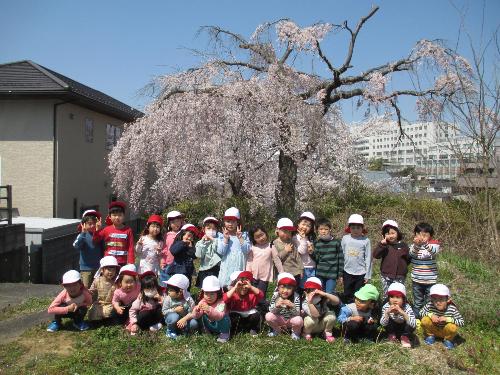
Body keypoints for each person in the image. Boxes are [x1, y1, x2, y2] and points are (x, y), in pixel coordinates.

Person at [183, 276, 231, 343]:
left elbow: (219, 316)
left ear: (218, 293)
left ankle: (224, 334)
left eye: (212, 294)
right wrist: (196, 312)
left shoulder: (221, 302)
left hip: (220, 325)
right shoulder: (203, 301)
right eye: (206, 293)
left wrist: (209, 309)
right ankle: (206, 330)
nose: (209, 297)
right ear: (203, 293)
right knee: (202, 316)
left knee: (224, 318)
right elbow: (196, 316)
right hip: (210, 325)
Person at [409, 222, 440, 317]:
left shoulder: (434, 244)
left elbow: (434, 252)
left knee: (429, 302)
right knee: (417, 302)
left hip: (430, 280)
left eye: (425, 235)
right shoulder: (413, 246)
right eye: (419, 234)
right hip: (416, 279)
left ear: (430, 236)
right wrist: (417, 245)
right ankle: (417, 319)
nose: (422, 237)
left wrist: (425, 243)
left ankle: (427, 319)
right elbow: (412, 254)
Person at [373, 220, 410, 297]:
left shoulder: (403, 246)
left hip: (400, 276)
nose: (390, 236)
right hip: (386, 275)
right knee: (386, 294)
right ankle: (385, 307)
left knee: (398, 294)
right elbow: (376, 255)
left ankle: (399, 307)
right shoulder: (384, 246)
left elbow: (408, 259)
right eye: (387, 234)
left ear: (397, 233)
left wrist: (403, 268)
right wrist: (381, 245)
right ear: (383, 235)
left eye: (393, 233)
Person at [420, 284, 464, 350]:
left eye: (441, 299)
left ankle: (448, 339)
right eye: (435, 299)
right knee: (425, 320)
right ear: (431, 299)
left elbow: (461, 322)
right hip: (434, 329)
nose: (438, 302)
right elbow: (421, 312)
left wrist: (448, 319)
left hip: (445, 331)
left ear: (448, 299)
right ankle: (430, 336)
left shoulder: (452, 309)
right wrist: (431, 315)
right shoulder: (430, 305)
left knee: (452, 327)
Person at [341, 214, 372, 303]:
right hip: (347, 271)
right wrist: (340, 273)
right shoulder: (345, 238)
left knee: (359, 293)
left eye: (358, 228)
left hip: (361, 272)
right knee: (347, 292)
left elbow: (368, 257)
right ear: (349, 228)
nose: (355, 230)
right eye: (353, 227)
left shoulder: (366, 240)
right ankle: (347, 309)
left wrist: (367, 275)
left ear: (362, 228)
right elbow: (341, 254)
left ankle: (357, 309)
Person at [217, 207, 251, 287]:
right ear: (224, 222)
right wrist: (225, 239)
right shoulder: (221, 236)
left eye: (233, 221)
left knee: (238, 286)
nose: (230, 224)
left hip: (239, 266)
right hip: (227, 266)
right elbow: (221, 251)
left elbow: (247, 250)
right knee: (225, 287)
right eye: (228, 221)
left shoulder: (244, 235)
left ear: (238, 222)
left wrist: (240, 238)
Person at [93, 201, 134, 267]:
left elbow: (130, 247)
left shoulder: (128, 230)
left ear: (124, 216)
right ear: (110, 216)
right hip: (109, 261)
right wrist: (97, 230)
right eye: (114, 215)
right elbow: (96, 240)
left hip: (123, 262)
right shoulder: (106, 229)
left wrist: (131, 262)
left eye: (120, 215)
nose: (117, 217)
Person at [224, 271, 264, 336]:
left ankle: (253, 329)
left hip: (248, 315)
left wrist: (251, 287)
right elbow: (225, 299)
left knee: (256, 315)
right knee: (233, 317)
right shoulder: (233, 294)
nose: (243, 287)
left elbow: (261, 295)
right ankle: (236, 330)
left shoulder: (251, 294)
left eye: (246, 285)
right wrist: (235, 288)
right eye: (241, 285)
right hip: (236, 315)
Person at [246, 224, 284, 295]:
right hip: (253, 275)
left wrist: (281, 273)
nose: (261, 238)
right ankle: (254, 306)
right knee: (251, 294)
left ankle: (262, 306)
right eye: (257, 237)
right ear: (253, 238)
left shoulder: (271, 246)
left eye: (262, 235)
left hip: (264, 276)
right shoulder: (253, 247)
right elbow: (249, 260)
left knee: (260, 294)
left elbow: (277, 260)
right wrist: (248, 272)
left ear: (265, 233)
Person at [265, 272, 303, 340]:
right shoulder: (275, 295)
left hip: (290, 320)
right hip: (279, 319)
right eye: (282, 287)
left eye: (289, 288)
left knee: (299, 320)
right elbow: (271, 310)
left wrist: (292, 306)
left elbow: (297, 313)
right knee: (268, 316)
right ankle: (276, 330)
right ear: (278, 288)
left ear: (293, 289)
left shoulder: (296, 296)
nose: (285, 291)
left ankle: (295, 333)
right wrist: (276, 306)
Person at [310, 218, 343, 295]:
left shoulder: (336, 242)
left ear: (330, 230)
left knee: (329, 293)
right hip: (320, 274)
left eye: (326, 229)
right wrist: (311, 253)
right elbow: (317, 259)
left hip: (332, 275)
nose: (323, 231)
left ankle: (331, 306)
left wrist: (340, 274)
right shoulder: (317, 243)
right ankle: (321, 307)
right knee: (320, 293)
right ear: (317, 230)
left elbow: (340, 259)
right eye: (321, 229)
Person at [302, 277, 340, 342]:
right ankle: (306, 333)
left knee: (331, 315)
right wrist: (310, 303)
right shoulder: (305, 302)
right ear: (305, 292)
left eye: (315, 291)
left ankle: (327, 333)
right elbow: (315, 315)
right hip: (311, 327)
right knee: (310, 320)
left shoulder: (322, 299)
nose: (312, 294)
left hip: (321, 325)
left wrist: (325, 294)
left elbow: (337, 302)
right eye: (309, 291)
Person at [73, 210, 103, 288]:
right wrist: (83, 233)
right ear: (83, 224)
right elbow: (76, 245)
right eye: (89, 224)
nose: (92, 226)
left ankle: (94, 300)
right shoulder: (82, 235)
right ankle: (86, 300)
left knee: (96, 288)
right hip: (85, 268)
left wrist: (98, 231)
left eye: (94, 223)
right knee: (86, 287)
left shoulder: (100, 235)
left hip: (98, 267)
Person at [380, 282, 416, 348]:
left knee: (409, 322)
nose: (394, 300)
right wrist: (387, 313)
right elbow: (383, 324)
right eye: (391, 297)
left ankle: (404, 336)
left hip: (403, 327)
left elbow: (413, 324)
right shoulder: (386, 306)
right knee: (387, 320)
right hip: (392, 327)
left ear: (403, 299)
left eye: (398, 297)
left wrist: (403, 313)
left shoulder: (407, 307)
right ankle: (391, 335)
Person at [128, 271, 164, 335]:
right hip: (145, 320)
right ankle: (139, 327)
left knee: (160, 310)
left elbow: (167, 307)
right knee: (144, 313)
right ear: (143, 289)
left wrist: (160, 299)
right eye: (147, 289)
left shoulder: (161, 294)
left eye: (153, 288)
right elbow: (132, 310)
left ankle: (158, 324)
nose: (150, 291)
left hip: (155, 318)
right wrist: (134, 323)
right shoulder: (140, 299)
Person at [162, 274, 198, 339]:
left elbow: (193, 313)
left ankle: (183, 330)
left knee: (194, 323)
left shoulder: (188, 300)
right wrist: (174, 310)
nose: (168, 292)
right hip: (172, 320)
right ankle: (170, 330)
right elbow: (164, 311)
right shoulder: (168, 298)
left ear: (180, 292)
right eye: (168, 289)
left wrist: (184, 318)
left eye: (171, 290)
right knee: (174, 316)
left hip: (184, 320)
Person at [87, 256, 119, 321]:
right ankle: (97, 321)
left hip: (111, 303)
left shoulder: (116, 281)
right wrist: (89, 293)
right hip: (99, 303)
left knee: (108, 312)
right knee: (94, 313)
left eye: (113, 270)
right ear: (102, 270)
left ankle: (108, 319)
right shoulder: (97, 280)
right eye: (108, 270)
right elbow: (92, 291)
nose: (111, 272)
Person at [274, 218, 303, 287]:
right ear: (277, 229)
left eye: (289, 232)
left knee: (295, 291)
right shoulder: (274, 244)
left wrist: (301, 269)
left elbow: (297, 256)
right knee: (284, 291)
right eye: (284, 231)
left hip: (295, 272)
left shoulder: (291, 242)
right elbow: (275, 259)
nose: (287, 234)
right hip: (284, 273)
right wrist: (285, 251)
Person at [167, 224, 198, 289]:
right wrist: (183, 242)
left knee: (186, 287)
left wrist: (190, 247)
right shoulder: (178, 243)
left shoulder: (191, 246)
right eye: (188, 235)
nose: (189, 238)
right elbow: (174, 251)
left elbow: (194, 255)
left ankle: (186, 296)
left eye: (192, 237)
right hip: (178, 271)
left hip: (188, 272)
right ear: (182, 235)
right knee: (177, 287)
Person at [195, 216, 221, 288]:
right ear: (204, 229)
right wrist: (203, 242)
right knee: (204, 289)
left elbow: (219, 250)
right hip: (204, 269)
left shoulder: (219, 241)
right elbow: (199, 255)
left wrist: (213, 240)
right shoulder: (200, 242)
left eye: (214, 228)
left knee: (215, 288)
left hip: (216, 269)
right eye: (208, 228)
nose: (211, 230)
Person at [160, 210, 185, 284]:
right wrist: (162, 262)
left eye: (178, 221)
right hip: (169, 262)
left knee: (178, 282)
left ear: (181, 222)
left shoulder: (183, 234)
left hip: (180, 263)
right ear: (169, 224)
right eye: (173, 222)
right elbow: (164, 249)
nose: (176, 224)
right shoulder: (167, 235)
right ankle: (165, 293)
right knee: (165, 280)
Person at [295, 211, 316, 291]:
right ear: (298, 224)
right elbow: (301, 251)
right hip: (303, 268)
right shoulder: (295, 238)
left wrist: (312, 251)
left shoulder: (311, 238)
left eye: (308, 226)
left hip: (313, 267)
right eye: (303, 224)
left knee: (311, 288)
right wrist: (303, 239)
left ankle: (309, 302)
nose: (305, 227)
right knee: (302, 288)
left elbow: (313, 253)